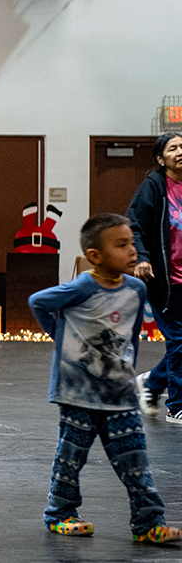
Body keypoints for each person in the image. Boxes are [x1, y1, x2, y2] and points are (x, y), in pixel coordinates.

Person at [29, 213, 182, 544]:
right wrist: (61, 337)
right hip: (78, 392)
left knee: (135, 458)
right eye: (121, 245)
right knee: (72, 455)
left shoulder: (137, 289)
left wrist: (127, 370)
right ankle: (60, 513)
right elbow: (38, 302)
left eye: (131, 244)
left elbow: (131, 335)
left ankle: (148, 521)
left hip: (119, 393)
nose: (131, 251)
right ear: (95, 256)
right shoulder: (83, 285)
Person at [126, 132, 182, 423]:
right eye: (173, 148)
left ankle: (152, 383)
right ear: (161, 159)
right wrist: (142, 258)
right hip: (165, 283)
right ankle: (177, 405)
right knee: (179, 340)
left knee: (181, 342)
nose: (180, 151)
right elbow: (133, 225)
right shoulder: (154, 186)